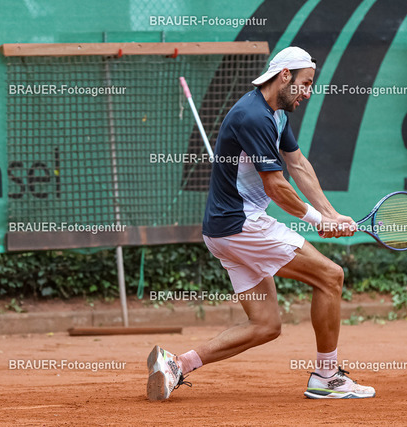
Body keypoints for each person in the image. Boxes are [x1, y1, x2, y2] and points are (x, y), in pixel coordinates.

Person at [146, 46, 375, 400]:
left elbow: (297, 165)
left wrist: (330, 215)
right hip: (242, 227)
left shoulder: (276, 114)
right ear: (284, 76)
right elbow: (276, 186)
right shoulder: (253, 116)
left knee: (265, 325)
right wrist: (317, 220)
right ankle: (327, 377)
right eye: (305, 83)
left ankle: (176, 364)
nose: (308, 92)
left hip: (224, 231)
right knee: (331, 276)